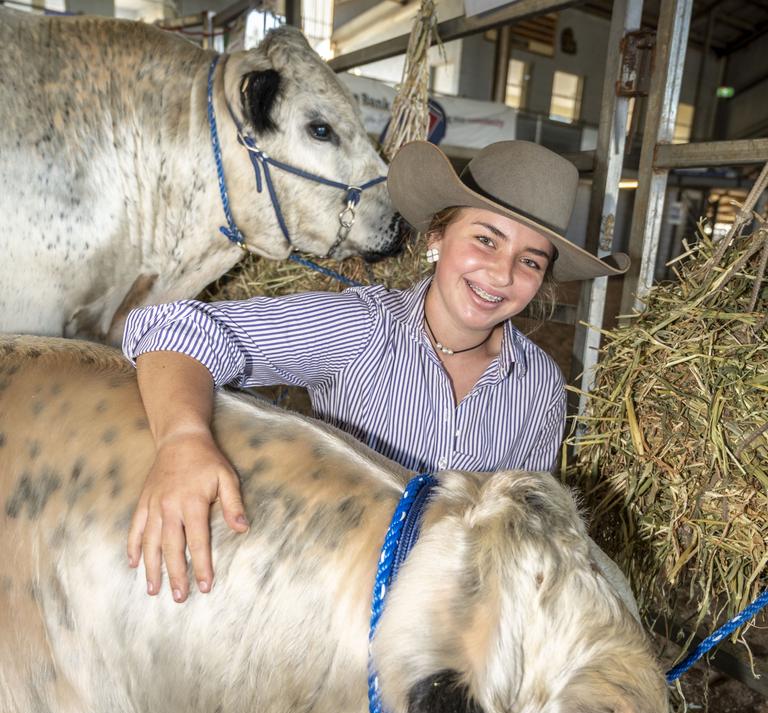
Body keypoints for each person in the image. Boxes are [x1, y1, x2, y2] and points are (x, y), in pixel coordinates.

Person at [122, 139, 628, 602]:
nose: (502, 274)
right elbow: (172, 328)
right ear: (437, 236)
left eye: (530, 262)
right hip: (324, 593)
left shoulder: (538, 382)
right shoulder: (362, 327)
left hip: (447, 621)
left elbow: (522, 515)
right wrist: (183, 439)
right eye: (486, 240)